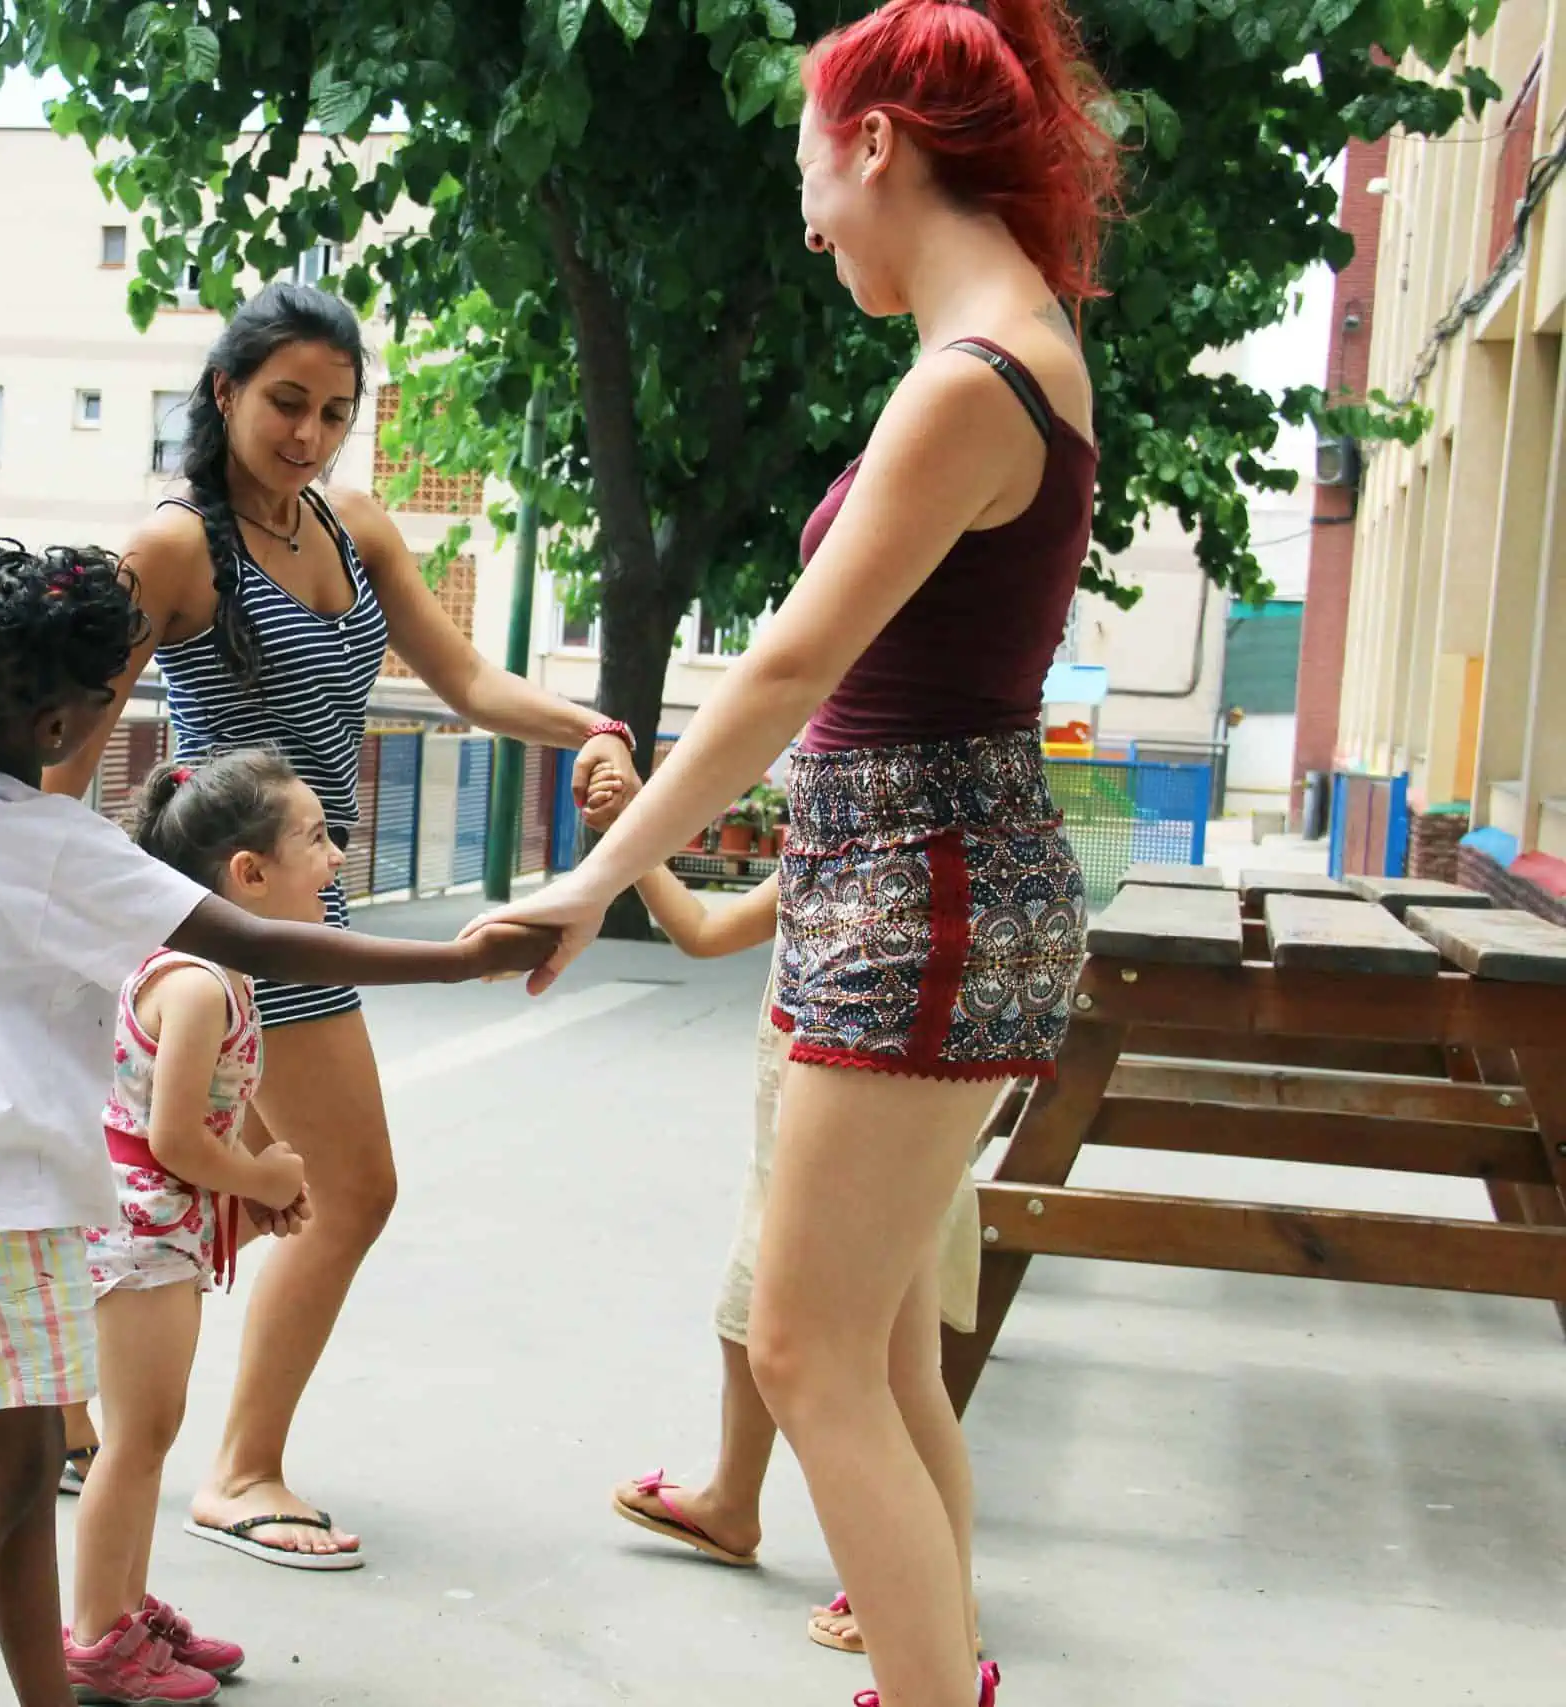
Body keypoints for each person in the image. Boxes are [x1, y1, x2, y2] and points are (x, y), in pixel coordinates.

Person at [475, 2, 1117, 1702]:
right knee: (882, 1354)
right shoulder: (1007, 347)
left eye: (810, 179)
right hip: (914, 878)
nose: (813, 226)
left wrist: (594, 878)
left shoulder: (976, 376)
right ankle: (934, 1669)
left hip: (922, 886)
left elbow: (787, 669)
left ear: (877, 145)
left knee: (810, 1349)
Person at [0, 505, 555, 1707]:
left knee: (21, 1467)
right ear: (58, 722)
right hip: (2, 1204)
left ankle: (48, 1692)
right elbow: (260, 941)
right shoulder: (52, 839)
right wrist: (459, 963)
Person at [44, 280, 642, 1566]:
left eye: (333, 411)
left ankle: (73, 1415)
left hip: (306, 896)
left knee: (211, 1194)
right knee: (345, 1190)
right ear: (223, 393)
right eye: (283, 404)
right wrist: (65, 923)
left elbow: (465, 679)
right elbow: (67, 754)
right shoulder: (175, 548)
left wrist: (592, 728)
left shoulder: (352, 525)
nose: (307, 434)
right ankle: (239, 1471)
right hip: (230, 912)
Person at [596, 855, 994, 1658]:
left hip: (865, 1085)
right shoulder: (833, 839)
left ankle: (933, 1609)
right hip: (820, 1096)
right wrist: (629, 845)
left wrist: (614, 854)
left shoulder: (887, 838)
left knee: (870, 1372)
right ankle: (919, 1601)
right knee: (791, 1333)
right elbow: (706, 928)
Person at [66, 749, 343, 1701]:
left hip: (162, 1232)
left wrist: (257, 1189)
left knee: (151, 1431)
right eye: (317, 838)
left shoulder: (223, 973)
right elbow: (174, 1136)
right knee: (135, 1438)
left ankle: (125, 1608)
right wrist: (260, 1174)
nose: (336, 857)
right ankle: (97, 1635)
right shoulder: (194, 985)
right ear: (249, 873)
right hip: (140, 1239)